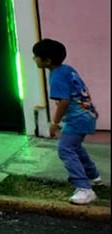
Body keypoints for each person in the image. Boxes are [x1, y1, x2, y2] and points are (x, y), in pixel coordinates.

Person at [32, 39, 101, 205]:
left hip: (77, 119)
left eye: (36, 56)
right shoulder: (67, 69)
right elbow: (81, 91)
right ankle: (93, 175)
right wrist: (92, 109)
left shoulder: (56, 76)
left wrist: (55, 123)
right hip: (86, 115)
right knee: (74, 147)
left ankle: (84, 189)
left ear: (47, 61)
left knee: (65, 149)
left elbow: (64, 101)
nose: (33, 59)